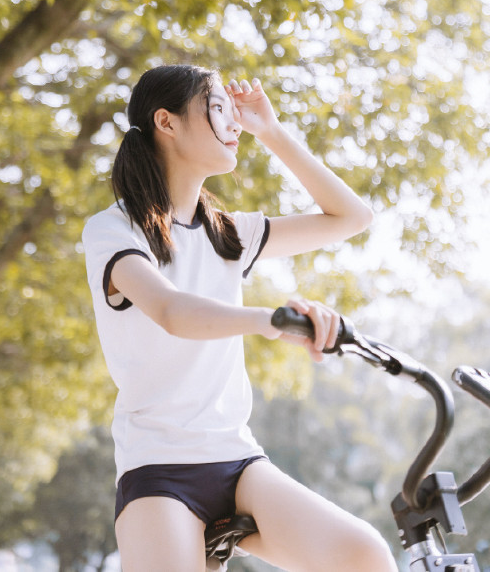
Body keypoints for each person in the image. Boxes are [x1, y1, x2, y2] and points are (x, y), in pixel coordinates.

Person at [82, 63, 397, 572]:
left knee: (366, 556)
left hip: (238, 459)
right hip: (158, 470)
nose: (233, 124)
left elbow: (353, 218)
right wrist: (270, 320)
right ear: (167, 122)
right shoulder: (113, 230)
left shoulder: (229, 233)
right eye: (218, 108)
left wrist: (271, 131)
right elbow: (172, 311)